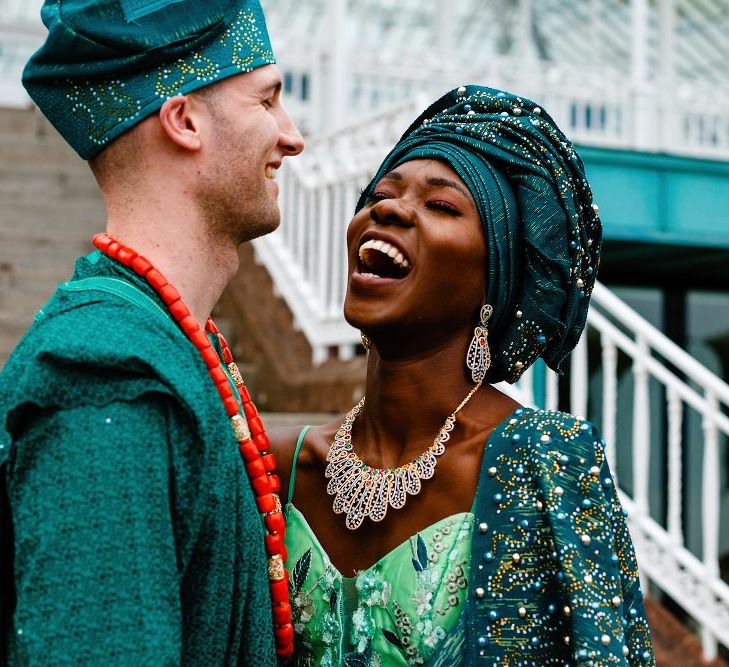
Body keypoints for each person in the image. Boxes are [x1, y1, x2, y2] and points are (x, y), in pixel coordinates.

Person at [271, 86, 655, 665]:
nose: (389, 209)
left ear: (493, 285)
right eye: (379, 195)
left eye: (442, 206)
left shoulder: (547, 465)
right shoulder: (278, 467)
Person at [0, 0, 303, 664]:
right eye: (267, 101)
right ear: (184, 120)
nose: (291, 135)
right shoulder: (101, 377)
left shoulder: (167, 345)